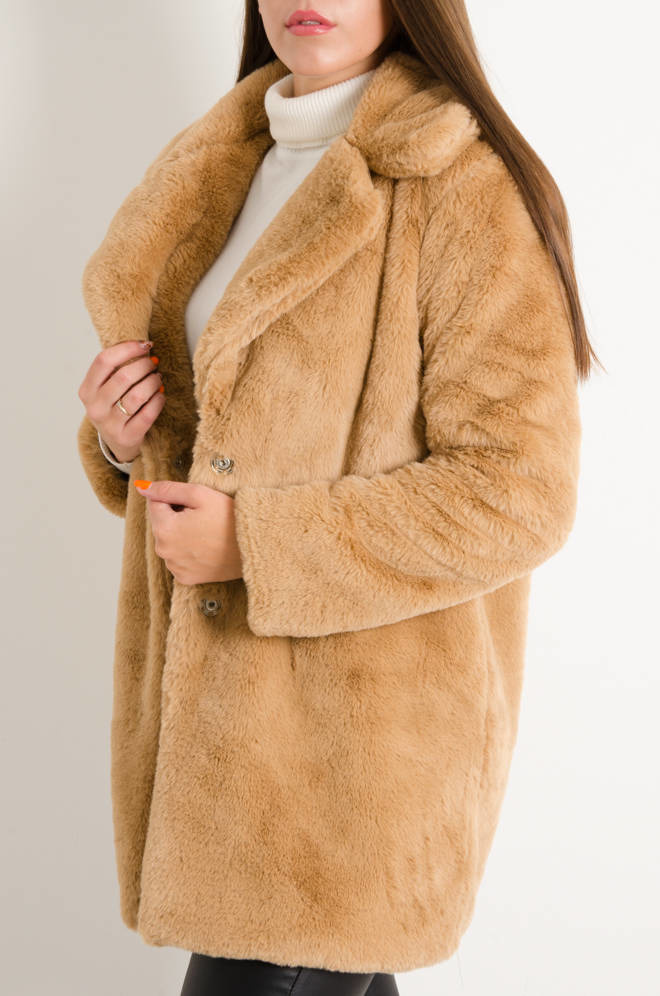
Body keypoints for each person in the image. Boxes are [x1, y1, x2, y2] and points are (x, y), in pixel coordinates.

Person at [76, 2, 597, 994]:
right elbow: (213, 445)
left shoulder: (460, 184)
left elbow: (521, 490)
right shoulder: (221, 168)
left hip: (352, 760)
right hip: (218, 742)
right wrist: (122, 437)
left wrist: (260, 545)